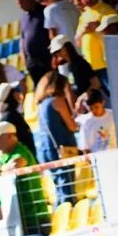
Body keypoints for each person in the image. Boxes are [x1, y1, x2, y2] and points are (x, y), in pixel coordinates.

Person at [34, 70, 80, 205]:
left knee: (59, 187)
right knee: (67, 188)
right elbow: (72, 126)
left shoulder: (41, 104)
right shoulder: (57, 101)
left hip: (46, 150)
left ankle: (62, 214)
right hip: (62, 149)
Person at [74, 0, 118, 91]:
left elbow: (116, 36)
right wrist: (83, 31)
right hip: (91, 66)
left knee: (116, 94)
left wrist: (98, 28)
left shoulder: (107, 10)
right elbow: (77, 42)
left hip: (107, 64)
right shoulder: (84, 15)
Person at [50, 34, 101, 113]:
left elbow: (96, 83)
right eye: (55, 53)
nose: (58, 54)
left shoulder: (81, 63)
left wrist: (83, 98)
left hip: (93, 107)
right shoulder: (69, 66)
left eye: (58, 51)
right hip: (83, 110)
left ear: (67, 47)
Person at [0, 82, 37, 156]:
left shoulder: (11, 114)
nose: (20, 93)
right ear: (12, 95)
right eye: (17, 90)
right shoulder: (10, 116)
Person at [18, 0, 53, 84]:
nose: (20, 6)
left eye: (21, 2)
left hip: (46, 60)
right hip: (32, 63)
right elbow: (23, 38)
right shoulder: (24, 18)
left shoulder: (45, 11)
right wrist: (24, 58)